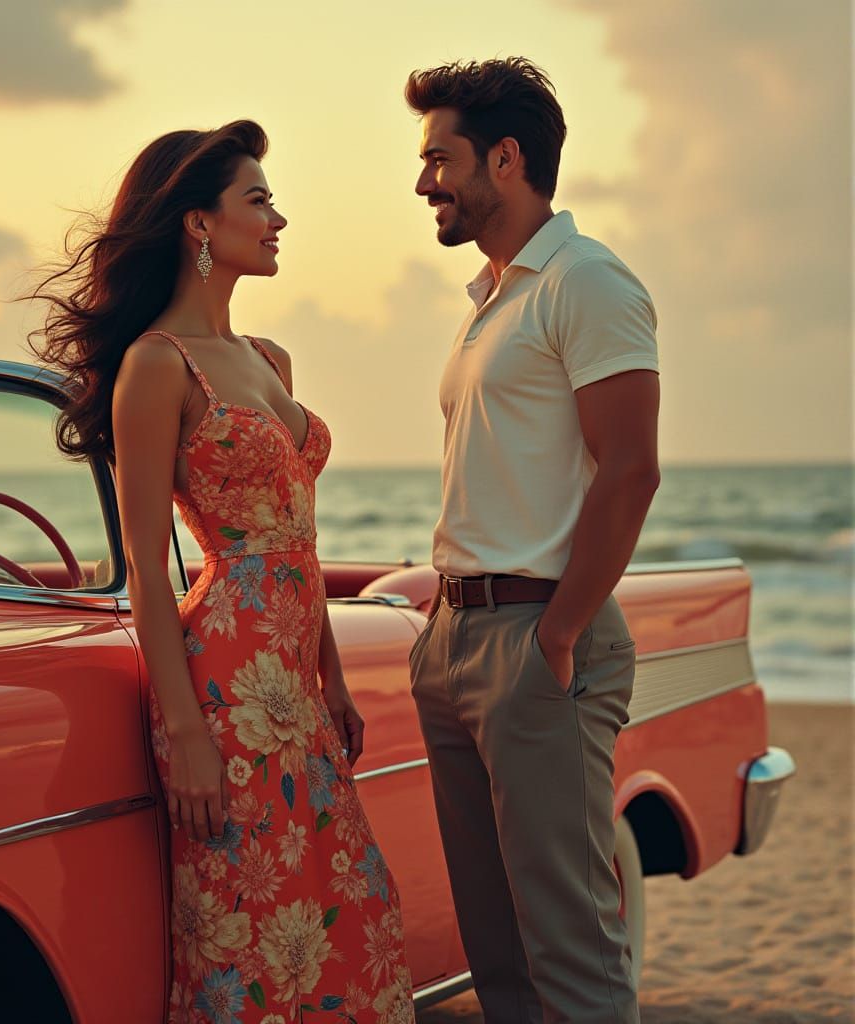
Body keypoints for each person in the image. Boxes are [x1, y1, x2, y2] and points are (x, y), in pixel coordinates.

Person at [30, 120, 413, 1023]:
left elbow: (300, 538)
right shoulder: (154, 370)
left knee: (352, 911)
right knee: (249, 927)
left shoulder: (268, 359)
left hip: (297, 683)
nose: (279, 218)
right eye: (259, 200)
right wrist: (188, 730)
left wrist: (334, 676)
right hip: (225, 686)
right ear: (199, 224)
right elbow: (151, 576)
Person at [404, 60, 660, 1023]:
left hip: (535, 639)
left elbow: (631, 469)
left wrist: (558, 635)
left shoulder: (585, 281)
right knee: (497, 955)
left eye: (440, 158)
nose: (424, 179)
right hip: (458, 639)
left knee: (570, 954)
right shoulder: (492, 298)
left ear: (504, 161)